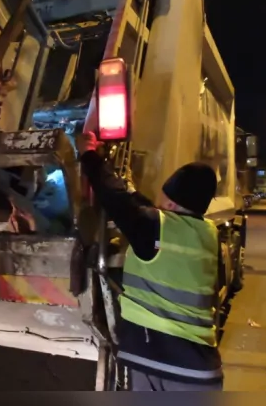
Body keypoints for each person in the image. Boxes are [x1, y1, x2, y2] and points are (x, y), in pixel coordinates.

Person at [76, 130, 224, 391]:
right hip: (200, 369)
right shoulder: (208, 234)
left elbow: (117, 200)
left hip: (158, 358)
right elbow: (139, 206)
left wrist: (89, 155)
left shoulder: (154, 227)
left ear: (171, 203)